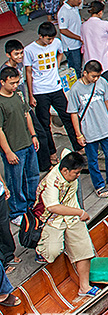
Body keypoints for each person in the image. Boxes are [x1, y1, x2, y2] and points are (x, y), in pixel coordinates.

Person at [35, 151, 99, 297]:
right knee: (52, 252)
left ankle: (84, 287)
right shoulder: (52, 182)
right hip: (53, 219)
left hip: (71, 216)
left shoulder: (68, 165)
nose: (78, 176)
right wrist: (80, 212)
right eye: (76, 173)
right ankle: (40, 249)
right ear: (64, 171)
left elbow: (66, 151)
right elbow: (53, 207)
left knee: (84, 249)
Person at [25, 22, 82, 167]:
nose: (50, 41)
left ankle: (79, 147)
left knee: (67, 116)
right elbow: (29, 72)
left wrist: (56, 65)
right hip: (40, 91)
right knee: (45, 124)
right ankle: (51, 152)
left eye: (51, 39)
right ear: (40, 36)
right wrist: (31, 95)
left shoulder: (57, 43)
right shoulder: (29, 50)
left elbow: (61, 52)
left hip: (56, 88)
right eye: (47, 39)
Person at [68, 61, 108, 198]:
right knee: (92, 160)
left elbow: (107, 101)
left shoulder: (102, 82)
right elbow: (73, 113)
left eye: (98, 76)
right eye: (93, 76)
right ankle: (99, 185)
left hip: (105, 126)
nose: (96, 79)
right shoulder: (75, 90)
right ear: (85, 73)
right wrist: (78, 134)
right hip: (89, 130)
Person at [0, 67, 39, 231]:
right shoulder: (1, 102)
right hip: (14, 148)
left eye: (17, 82)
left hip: (27, 143)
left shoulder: (17, 95)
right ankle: (17, 211)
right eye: (12, 83)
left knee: (32, 176)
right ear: (2, 82)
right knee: (15, 181)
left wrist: (33, 135)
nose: (16, 86)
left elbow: (27, 115)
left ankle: (31, 206)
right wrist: (8, 151)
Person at [81, 1, 108, 81]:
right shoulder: (105, 24)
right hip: (104, 57)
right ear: (100, 12)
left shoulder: (84, 25)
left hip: (89, 58)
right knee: (105, 81)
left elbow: (82, 40)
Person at [57, 0, 85, 77]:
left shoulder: (74, 8)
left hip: (78, 43)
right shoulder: (63, 12)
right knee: (75, 69)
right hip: (71, 46)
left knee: (79, 67)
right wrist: (78, 38)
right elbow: (63, 30)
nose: (80, 1)